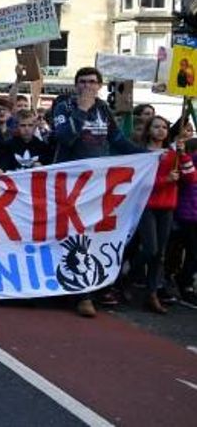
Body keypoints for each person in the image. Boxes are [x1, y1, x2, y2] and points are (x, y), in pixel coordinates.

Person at [51, 66, 144, 317]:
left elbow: (118, 141)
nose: (87, 86)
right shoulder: (63, 107)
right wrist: (81, 110)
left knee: (92, 236)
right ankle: (73, 291)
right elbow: (64, 138)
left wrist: (150, 156)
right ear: (76, 85)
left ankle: (87, 291)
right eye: (82, 82)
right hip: (69, 183)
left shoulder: (103, 109)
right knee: (71, 235)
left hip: (97, 184)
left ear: (99, 85)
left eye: (92, 82)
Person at [131, 116, 194, 314]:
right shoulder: (142, 154)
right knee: (151, 249)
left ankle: (151, 294)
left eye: (164, 127)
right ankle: (129, 276)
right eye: (156, 127)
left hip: (167, 207)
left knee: (159, 254)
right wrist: (165, 179)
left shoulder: (173, 153)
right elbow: (138, 182)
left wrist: (183, 155)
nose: (160, 130)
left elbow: (191, 177)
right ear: (148, 130)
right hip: (146, 206)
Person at [175, 138, 197, 306]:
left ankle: (185, 281)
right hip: (188, 214)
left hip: (190, 212)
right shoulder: (189, 161)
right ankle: (185, 284)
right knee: (192, 252)